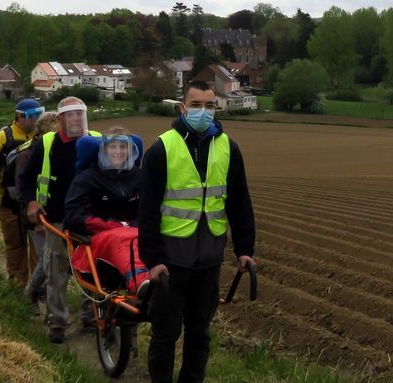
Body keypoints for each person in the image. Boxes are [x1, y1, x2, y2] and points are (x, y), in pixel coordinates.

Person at [138, 80, 256, 383]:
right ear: (182, 107)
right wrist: (152, 259)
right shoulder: (162, 149)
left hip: (208, 260)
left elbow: (239, 202)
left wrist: (245, 249)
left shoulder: (229, 148)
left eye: (209, 105)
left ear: (216, 108)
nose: (203, 112)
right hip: (171, 261)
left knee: (199, 334)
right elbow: (147, 209)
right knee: (165, 336)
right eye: (196, 105)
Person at [18, 96, 101, 344]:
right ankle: (57, 322)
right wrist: (31, 202)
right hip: (56, 218)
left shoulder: (96, 140)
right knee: (56, 271)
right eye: (71, 114)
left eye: (80, 113)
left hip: (89, 219)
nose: (76, 119)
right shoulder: (46, 143)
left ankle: (90, 316)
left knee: (91, 270)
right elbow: (26, 178)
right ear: (61, 119)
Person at [64, 127, 148, 295]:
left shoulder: (141, 177)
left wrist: (132, 226)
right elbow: (74, 215)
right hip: (98, 239)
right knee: (120, 238)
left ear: (131, 150)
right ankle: (140, 281)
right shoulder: (87, 179)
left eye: (123, 147)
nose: (118, 151)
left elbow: (149, 210)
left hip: (137, 234)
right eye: (113, 147)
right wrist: (113, 227)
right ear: (103, 150)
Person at [0, 98, 43, 287]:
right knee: (15, 245)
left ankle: (37, 290)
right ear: (21, 116)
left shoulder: (42, 138)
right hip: (8, 203)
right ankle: (17, 285)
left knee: (39, 250)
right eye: (34, 116)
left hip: (35, 203)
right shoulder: (3, 138)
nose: (38, 120)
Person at [13, 110, 59, 314]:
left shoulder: (60, 150)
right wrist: (36, 219)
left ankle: (39, 295)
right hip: (36, 217)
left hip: (56, 214)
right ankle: (34, 296)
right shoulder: (28, 152)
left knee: (52, 260)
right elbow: (23, 189)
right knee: (48, 260)